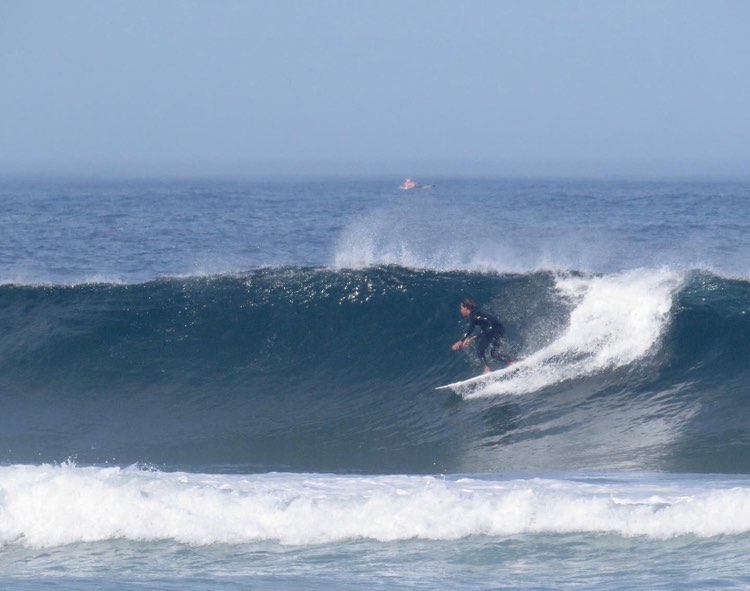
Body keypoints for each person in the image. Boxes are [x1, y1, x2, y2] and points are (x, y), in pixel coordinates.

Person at [452, 298, 514, 374]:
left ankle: (487, 369)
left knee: (480, 351)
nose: (460, 310)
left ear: (466, 308)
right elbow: (487, 327)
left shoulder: (472, 314)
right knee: (494, 353)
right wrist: (473, 338)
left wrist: (461, 340)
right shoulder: (478, 312)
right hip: (499, 328)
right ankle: (511, 362)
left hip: (491, 329)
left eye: (461, 308)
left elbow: (471, 328)